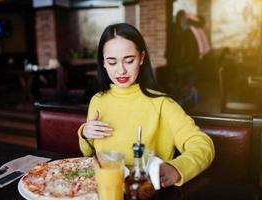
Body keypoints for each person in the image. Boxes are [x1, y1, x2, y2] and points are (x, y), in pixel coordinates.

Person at [78, 23, 214, 188]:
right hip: (103, 188)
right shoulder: (98, 100)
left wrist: (176, 168)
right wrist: (85, 133)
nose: (121, 71)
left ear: (141, 58)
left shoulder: (162, 103)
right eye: (112, 62)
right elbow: (87, 153)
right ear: (103, 62)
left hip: (144, 190)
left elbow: (202, 144)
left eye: (129, 60)